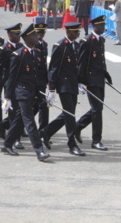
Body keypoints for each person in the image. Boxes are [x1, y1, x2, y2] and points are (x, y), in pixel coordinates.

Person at [1, 24, 51, 161]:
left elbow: (38, 75)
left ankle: (7, 144)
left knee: (19, 120)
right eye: (34, 35)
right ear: (27, 38)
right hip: (21, 93)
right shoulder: (17, 55)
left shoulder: (37, 53)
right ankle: (39, 150)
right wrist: (8, 97)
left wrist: (44, 92)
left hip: (32, 92)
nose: (37, 37)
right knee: (29, 121)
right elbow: (12, 78)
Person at [40, 22, 86, 157]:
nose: (78, 34)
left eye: (78, 32)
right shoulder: (60, 46)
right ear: (68, 32)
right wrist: (52, 89)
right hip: (63, 85)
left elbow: (77, 68)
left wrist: (81, 82)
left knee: (68, 113)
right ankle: (72, 144)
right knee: (70, 115)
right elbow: (54, 69)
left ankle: (46, 132)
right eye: (76, 32)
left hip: (73, 85)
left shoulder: (77, 46)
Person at [75, 15, 111, 151]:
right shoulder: (86, 41)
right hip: (90, 80)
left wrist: (106, 74)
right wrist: (81, 82)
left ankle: (77, 127)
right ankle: (96, 140)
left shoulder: (101, 40)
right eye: (101, 26)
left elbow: (101, 60)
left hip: (99, 79)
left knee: (98, 108)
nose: (103, 28)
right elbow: (82, 63)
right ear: (95, 26)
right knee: (97, 110)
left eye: (103, 25)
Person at [0, 23, 23, 140]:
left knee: (20, 109)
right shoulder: (4, 49)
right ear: (10, 34)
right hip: (8, 82)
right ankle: (15, 138)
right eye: (16, 34)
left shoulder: (21, 46)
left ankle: (2, 125)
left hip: (20, 81)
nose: (19, 36)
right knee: (13, 110)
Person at [32, 23, 49, 131]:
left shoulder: (45, 44)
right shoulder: (33, 45)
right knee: (31, 106)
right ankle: (10, 124)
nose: (40, 35)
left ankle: (43, 130)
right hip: (33, 79)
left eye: (42, 32)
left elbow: (44, 63)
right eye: (37, 32)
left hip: (41, 79)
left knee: (42, 104)